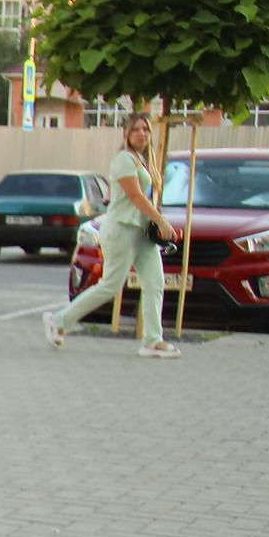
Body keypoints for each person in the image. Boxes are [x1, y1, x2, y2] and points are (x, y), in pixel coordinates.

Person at [43, 111, 180, 358]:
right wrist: (162, 222)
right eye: (136, 129)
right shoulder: (124, 160)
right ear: (125, 133)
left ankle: (152, 340)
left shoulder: (141, 160)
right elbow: (135, 196)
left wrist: (156, 222)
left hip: (141, 232)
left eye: (146, 129)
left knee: (154, 282)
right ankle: (59, 320)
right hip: (121, 230)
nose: (141, 134)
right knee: (110, 285)